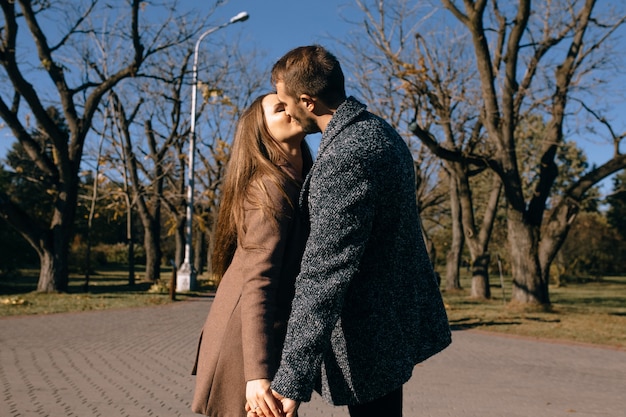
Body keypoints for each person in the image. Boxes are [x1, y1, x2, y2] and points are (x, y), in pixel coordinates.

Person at [264, 45, 452, 417]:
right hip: (392, 323)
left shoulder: (344, 156)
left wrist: (291, 380)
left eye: (286, 103)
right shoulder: (379, 130)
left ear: (308, 101)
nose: (284, 110)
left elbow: (325, 273)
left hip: (368, 334)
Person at [191, 93, 313, 417]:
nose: (291, 108)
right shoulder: (269, 188)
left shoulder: (299, 181)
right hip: (247, 345)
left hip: (267, 337)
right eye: (279, 107)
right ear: (262, 133)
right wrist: (257, 373)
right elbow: (258, 281)